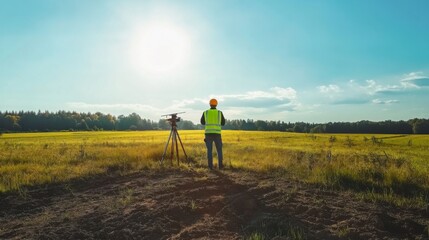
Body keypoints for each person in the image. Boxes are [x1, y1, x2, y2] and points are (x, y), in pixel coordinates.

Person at [200, 98, 226, 170]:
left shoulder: (206, 112)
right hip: (217, 134)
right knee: (219, 150)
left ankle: (210, 167)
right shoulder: (219, 113)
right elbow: (223, 123)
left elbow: (202, 122)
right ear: (216, 104)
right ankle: (220, 166)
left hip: (208, 134)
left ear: (210, 104)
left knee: (209, 150)